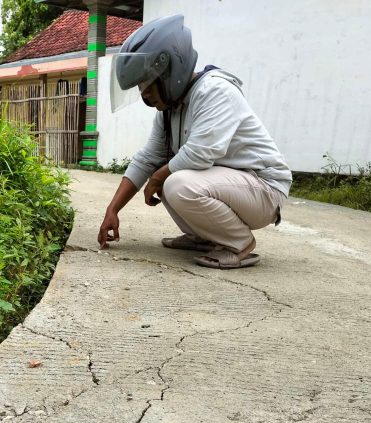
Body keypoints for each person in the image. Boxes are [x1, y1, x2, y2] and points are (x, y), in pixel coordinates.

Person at [97, 14, 292, 269]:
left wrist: (157, 177)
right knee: (171, 175)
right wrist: (113, 210)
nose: (144, 94)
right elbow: (147, 158)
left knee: (176, 181)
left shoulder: (214, 91)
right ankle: (204, 237)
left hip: (264, 189)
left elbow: (200, 154)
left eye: (146, 82)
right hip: (235, 186)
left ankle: (239, 244)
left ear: (169, 71)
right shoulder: (169, 110)